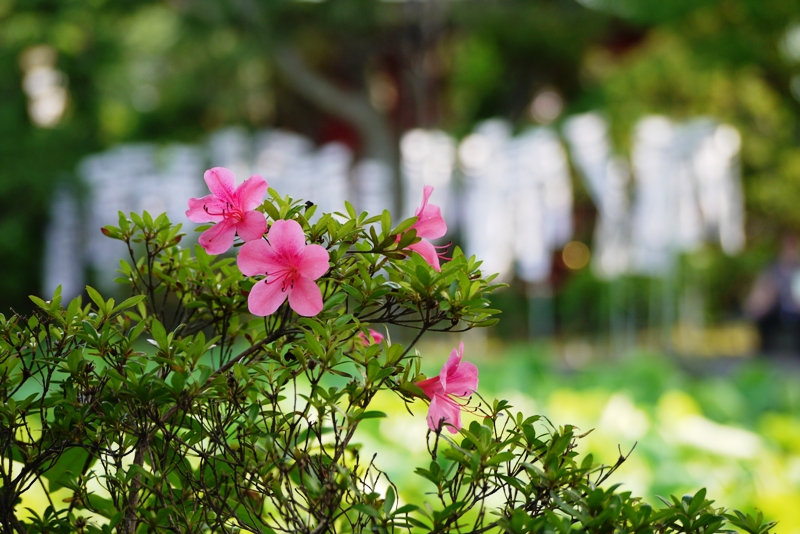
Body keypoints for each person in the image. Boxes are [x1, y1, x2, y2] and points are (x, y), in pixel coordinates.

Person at [745, 235, 800, 355]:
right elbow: (758, 296)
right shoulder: (772, 270)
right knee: (762, 318)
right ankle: (765, 357)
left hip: (796, 311)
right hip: (775, 310)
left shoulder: (797, 270)